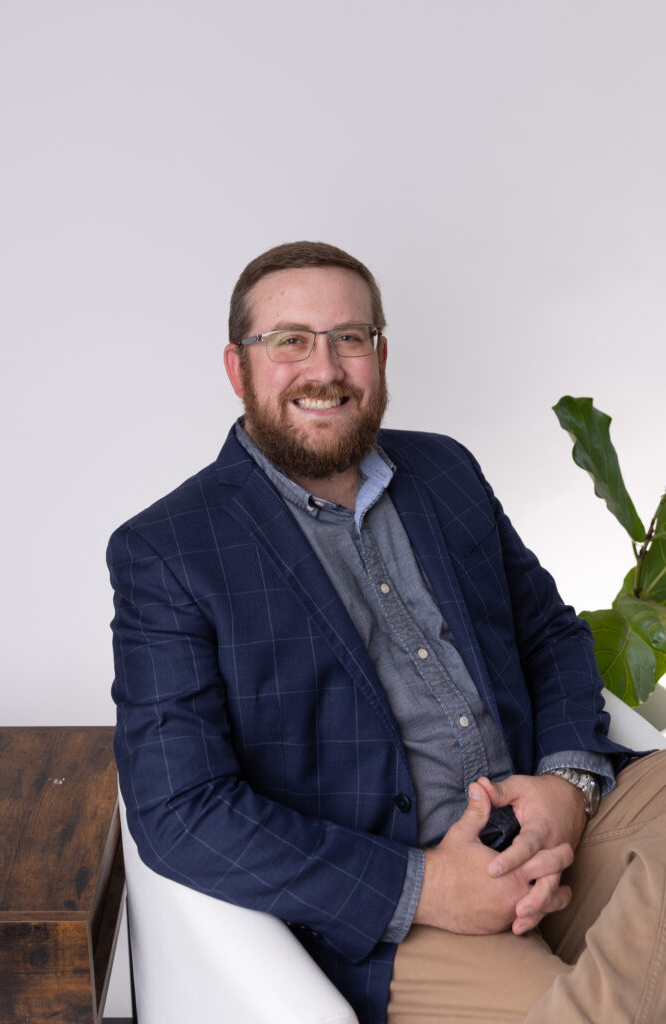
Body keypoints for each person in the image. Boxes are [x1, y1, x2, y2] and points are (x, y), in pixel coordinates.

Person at [108, 241, 666, 1024]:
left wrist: (565, 787)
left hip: (568, 823)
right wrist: (425, 886)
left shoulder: (446, 472)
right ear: (238, 369)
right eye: (289, 341)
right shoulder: (170, 549)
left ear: (379, 354)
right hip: (408, 908)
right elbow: (181, 810)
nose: (324, 367)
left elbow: (547, 633)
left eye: (350, 338)